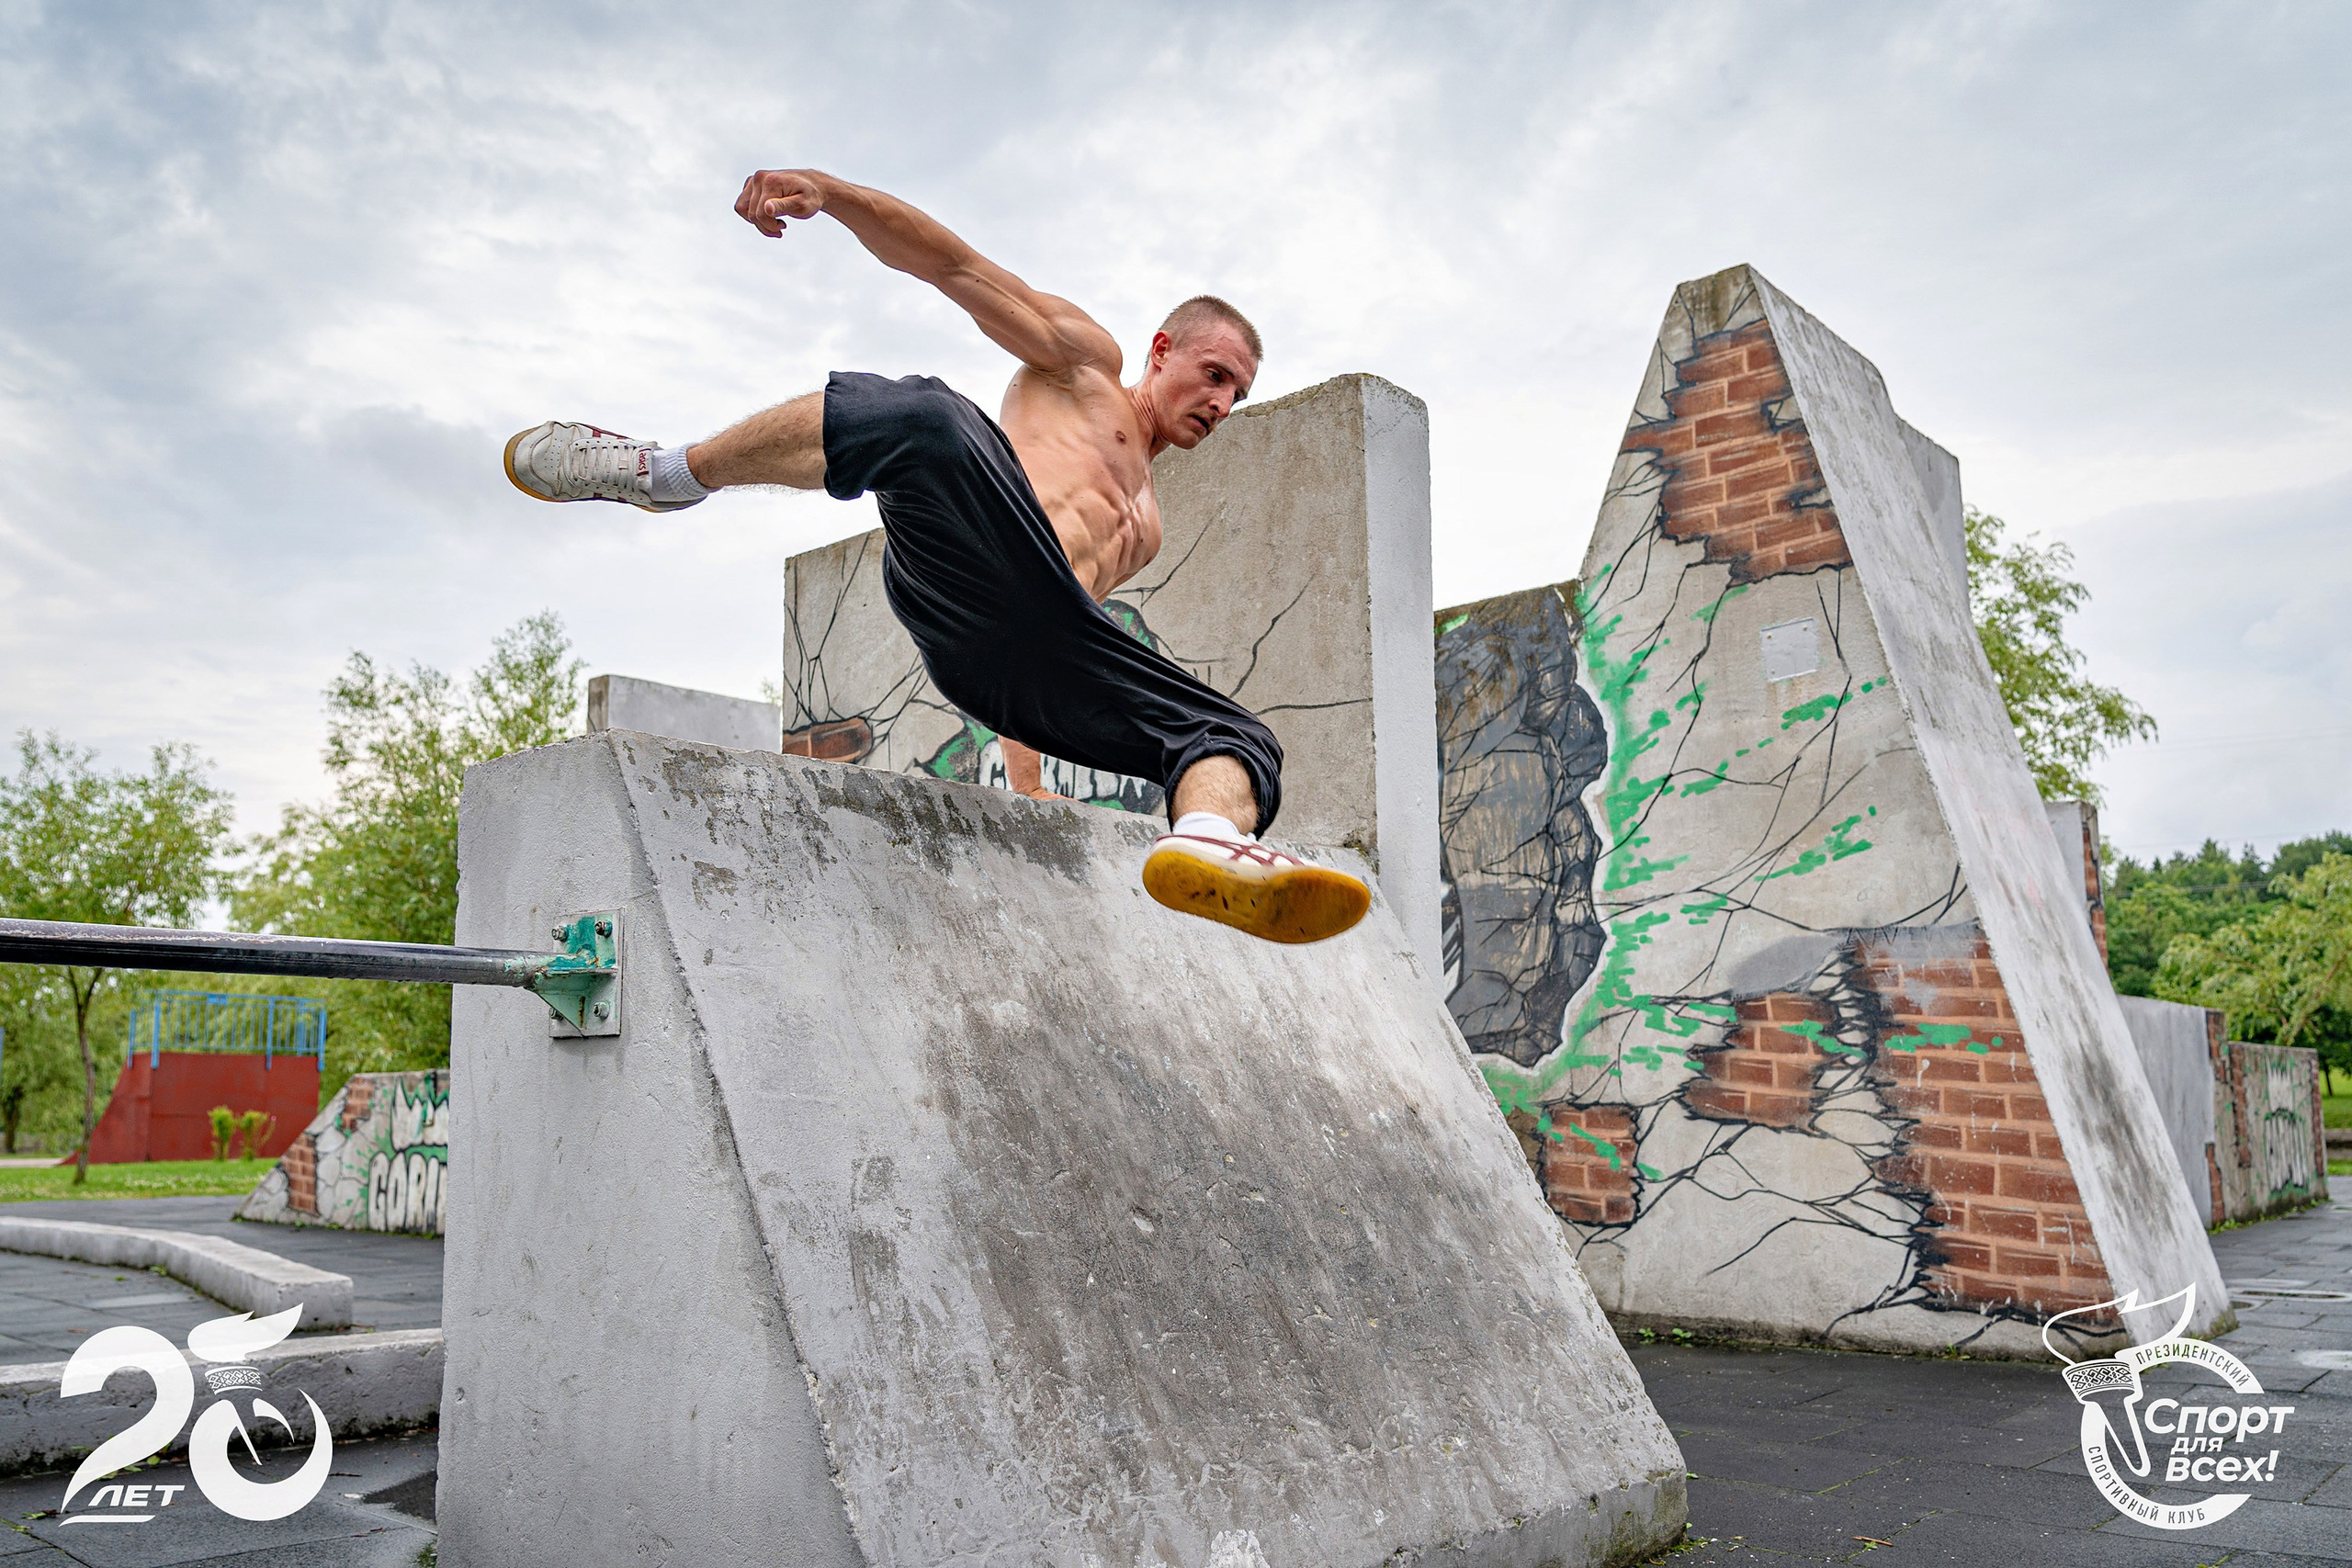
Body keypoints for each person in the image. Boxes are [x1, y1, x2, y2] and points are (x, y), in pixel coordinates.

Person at [503, 167, 1369, 945]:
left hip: (1006, 655)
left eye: (1239, 393)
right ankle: (668, 473)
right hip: (964, 558)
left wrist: (1026, 782)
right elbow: (954, 267)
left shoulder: (1145, 527)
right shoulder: (1084, 368)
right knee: (929, 417)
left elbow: (1050, 644)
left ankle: (1210, 843)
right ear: (1162, 351)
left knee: (1239, 736)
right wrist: (835, 198)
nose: (1222, 402)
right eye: (1215, 374)